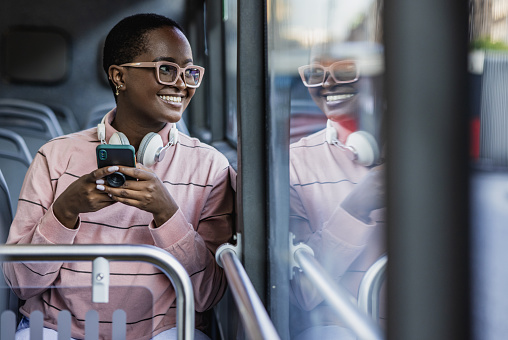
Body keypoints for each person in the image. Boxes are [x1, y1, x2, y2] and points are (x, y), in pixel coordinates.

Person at [3, 13, 234, 339]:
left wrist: (167, 214)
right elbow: (20, 284)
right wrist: (64, 212)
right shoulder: (54, 157)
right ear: (119, 77)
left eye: (190, 71)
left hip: (161, 331)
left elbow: (207, 296)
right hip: (60, 329)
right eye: (166, 69)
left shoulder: (211, 168)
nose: (182, 83)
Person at [289, 41, 386, 339]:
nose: (327, 83)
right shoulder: (296, 164)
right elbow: (304, 292)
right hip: (338, 329)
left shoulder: (432, 156)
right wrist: (355, 209)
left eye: (345, 71)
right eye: (316, 73)